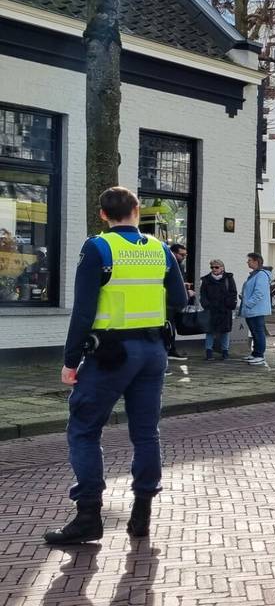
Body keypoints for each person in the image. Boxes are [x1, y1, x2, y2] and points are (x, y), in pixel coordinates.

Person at [44, 187, 188, 545]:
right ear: (137, 210)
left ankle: (88, 516)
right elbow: (179, 298)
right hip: (153, 351)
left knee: (84, 429)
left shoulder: (98, 248)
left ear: (103, 215)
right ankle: (142, 514)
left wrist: (70, 361)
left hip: (110, 355)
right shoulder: (160, 249)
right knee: (146, 432)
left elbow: (83, 311)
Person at [199, 260, 237, 361]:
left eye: (216, 267)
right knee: (210, 331)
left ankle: (225, 352)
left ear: (222, 268)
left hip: (225, 309)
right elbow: (203, 294)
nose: (214, 269)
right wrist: (206, 305)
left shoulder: (228, 278)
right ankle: (209, 353)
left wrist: (229, 304)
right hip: (211, 309)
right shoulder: (206, 280)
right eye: (212, 267)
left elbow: (233, 292)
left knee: (225, 331)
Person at [240, 253, 272, 366]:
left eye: (249, 260)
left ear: (256, 261)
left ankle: (259, 355)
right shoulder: (255, 274)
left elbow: (259, 293)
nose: (247, 262)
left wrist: (248, 303)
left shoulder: (261, 275)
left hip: (256, 310)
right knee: (254, 332)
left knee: (258, 332)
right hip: (252, 309)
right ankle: (255, 353)